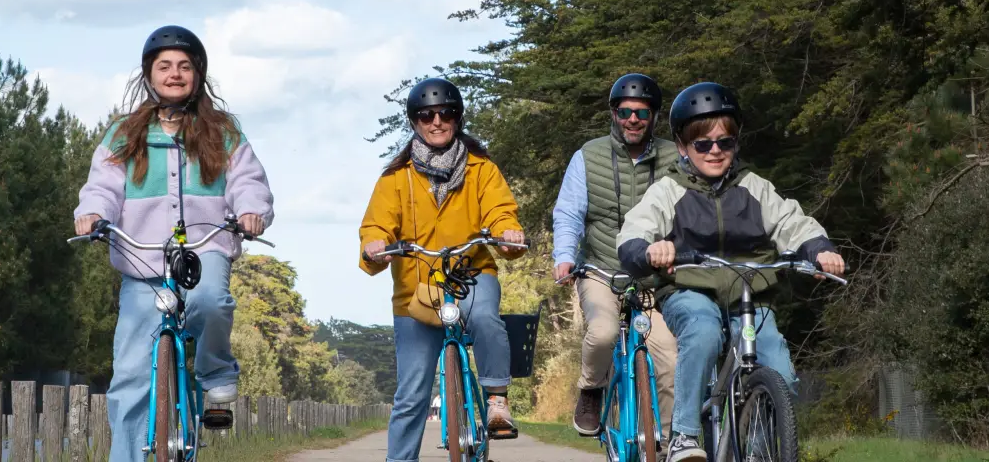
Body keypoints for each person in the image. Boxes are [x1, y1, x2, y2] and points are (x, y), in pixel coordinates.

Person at [71, 24, 274, 462]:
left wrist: (251, 211)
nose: (175, 74)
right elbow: (102, 186)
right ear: (149, 74)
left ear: (198, 74)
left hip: (205, 250)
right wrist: (92, 215)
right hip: (142, 260)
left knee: (211, 302)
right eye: (165, 66)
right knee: (128, 374)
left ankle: (216, 373)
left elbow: (248, 182)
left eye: (185, 66)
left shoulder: (223, 130)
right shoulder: (124, 133)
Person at [616, 82, 847, 462]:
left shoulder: (754, 187)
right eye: (703, 144)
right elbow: (634, 233)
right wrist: (649, 250)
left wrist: (820, 251)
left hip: (749, 295)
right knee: (703, 332)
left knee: (779, 367)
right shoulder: (668, 190)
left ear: (736, 143)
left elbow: (793, 222)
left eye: (725, 142)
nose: (715, 151)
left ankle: (760, 452)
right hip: (690, 289)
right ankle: (685, 436)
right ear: (682, 147)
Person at [358, 77, 526, 462]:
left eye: (446, 113)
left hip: (471, 274)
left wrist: (506, 232)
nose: (437, 121)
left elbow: (500, 210)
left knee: (486, 319)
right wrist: (376, 245)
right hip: (416, 290)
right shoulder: (395, 178)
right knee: (412, 393)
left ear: (458, 118)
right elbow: (376, 225)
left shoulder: (482, 169)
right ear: (414, 122)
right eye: (426, 115)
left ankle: (497, 399)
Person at [550, 73, 682, 436]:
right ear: (613, 113)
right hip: (601, 271)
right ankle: (591, 390)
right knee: (604, 332)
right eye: (625, 112)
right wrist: (563, 256)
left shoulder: (676, 157)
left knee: (669, 358)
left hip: (656, 278)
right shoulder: (587, 156)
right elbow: (569, 214)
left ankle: (673, 443)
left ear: (654, 116)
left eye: (642, 113)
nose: (633, 120)